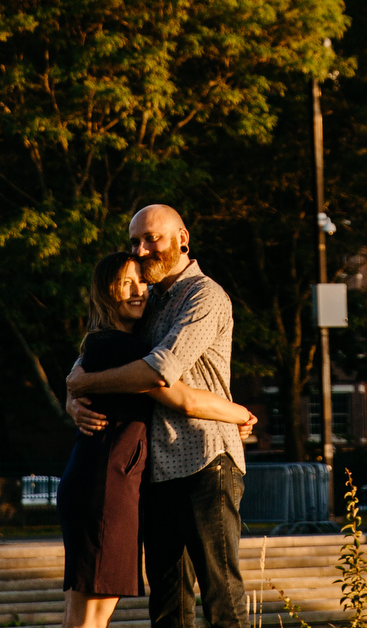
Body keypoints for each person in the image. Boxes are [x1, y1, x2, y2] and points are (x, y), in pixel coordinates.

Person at [66, 205, 247, 628]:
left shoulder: (204, 295)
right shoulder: (145, 300)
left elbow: (159, 371)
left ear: (183, 238)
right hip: (154, 470)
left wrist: (82, 386)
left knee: (220, 592)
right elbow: (88, 362)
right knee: (168, 602)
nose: (142, 249)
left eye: (152, 238)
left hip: (206, 460)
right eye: (134, 241)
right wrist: (72, 397)